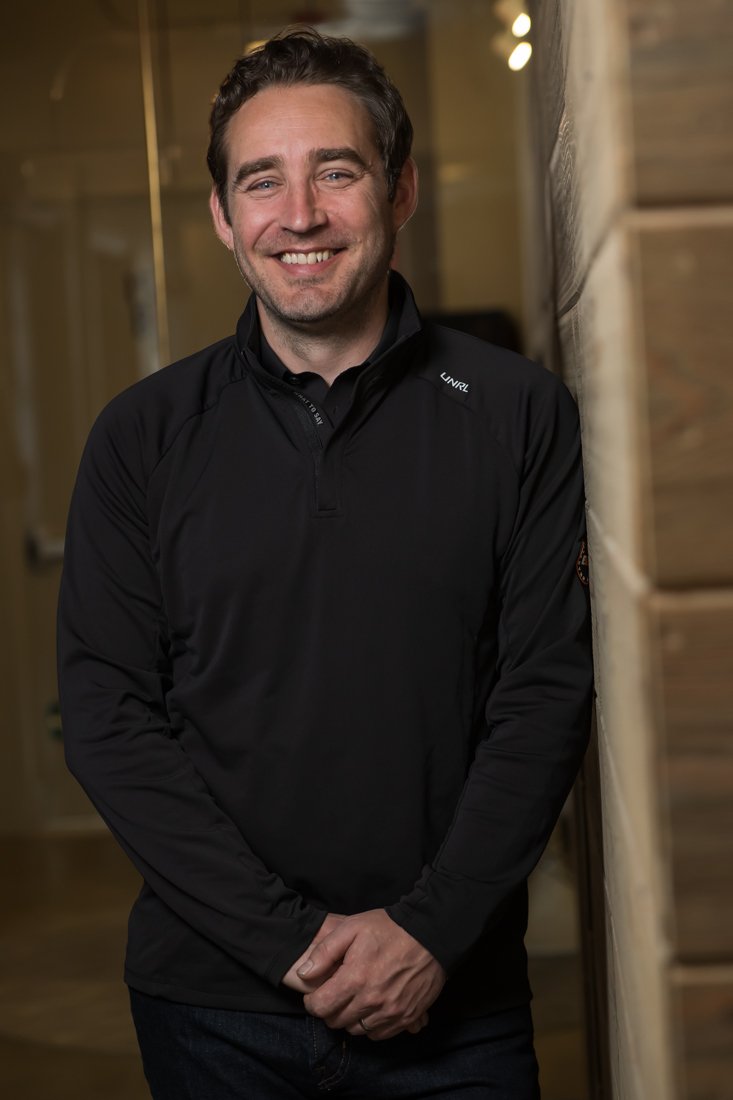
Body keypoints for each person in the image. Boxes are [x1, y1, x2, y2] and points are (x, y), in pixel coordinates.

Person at [57, 27, 593, 1100]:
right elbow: (108, 717)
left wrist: (429, 931)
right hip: (212, 1009)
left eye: (335, 172)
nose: (298, 214)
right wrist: (293, 942)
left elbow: (544, 695)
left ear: (400, 191)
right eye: (262, 181)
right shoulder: (141, 436)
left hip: (455, 1000)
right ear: (223, 216)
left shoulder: (517, 414)